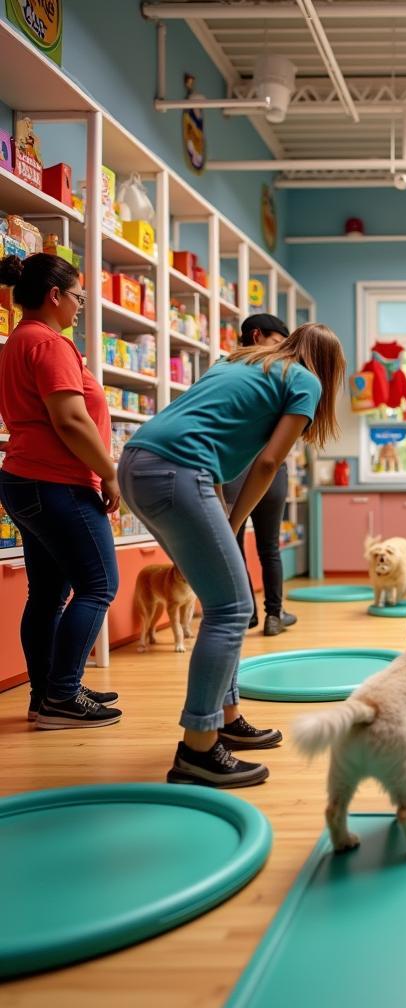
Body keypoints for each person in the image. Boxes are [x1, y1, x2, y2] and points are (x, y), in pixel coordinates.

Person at [118, 323, 345, 787]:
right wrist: (234, 521)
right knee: (233, 607)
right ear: (327, 366)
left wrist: (223, 518)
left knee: (221, 598)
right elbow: (267, 463)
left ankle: (227, 716)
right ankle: (198, 750)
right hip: (177, 470)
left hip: (138, 463)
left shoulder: (239, 360)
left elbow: (215, 443)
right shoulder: (304, 380)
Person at [0, 254, 121, 729]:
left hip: (26, 479)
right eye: (78, 297)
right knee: (99, 585)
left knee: (49, 593)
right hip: (57, 481)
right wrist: (109, 472)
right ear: (55, 296)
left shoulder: (17, 342)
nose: (79, 307)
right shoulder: (50, 343)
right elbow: (70, 419)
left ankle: (47, 692)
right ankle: (63, 696)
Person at [222, 314, 298, 637]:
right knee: (269, 547)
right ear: (257, 335)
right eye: (278, 342)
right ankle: (273, 616)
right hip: (270, 467)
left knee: (234, 541)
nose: (282, 351)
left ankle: (248, 613)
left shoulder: (222, 369)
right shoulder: (279, 373)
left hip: (234, 469)